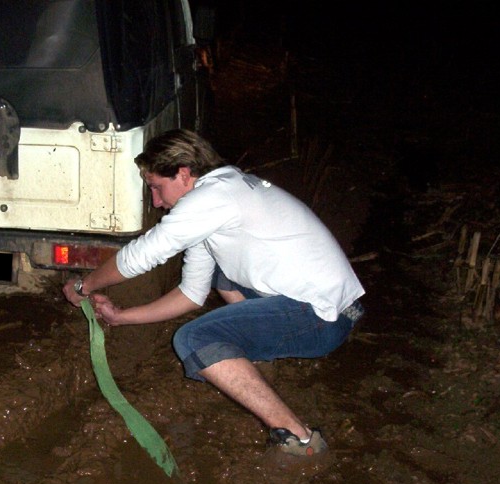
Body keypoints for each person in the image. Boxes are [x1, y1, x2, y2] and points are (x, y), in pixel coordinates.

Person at [62, 129, 364, 456]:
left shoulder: (213, 197)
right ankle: (255, 368)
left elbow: (143, 254)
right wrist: (121, 318)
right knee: (223, 277)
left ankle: (300, 440)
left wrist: (85, 285)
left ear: (183, 174)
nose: (156, 202)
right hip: (334, 306)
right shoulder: (226, 195)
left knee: (195, 340)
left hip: (321, 316)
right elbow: (192, 293)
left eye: (156, 187)